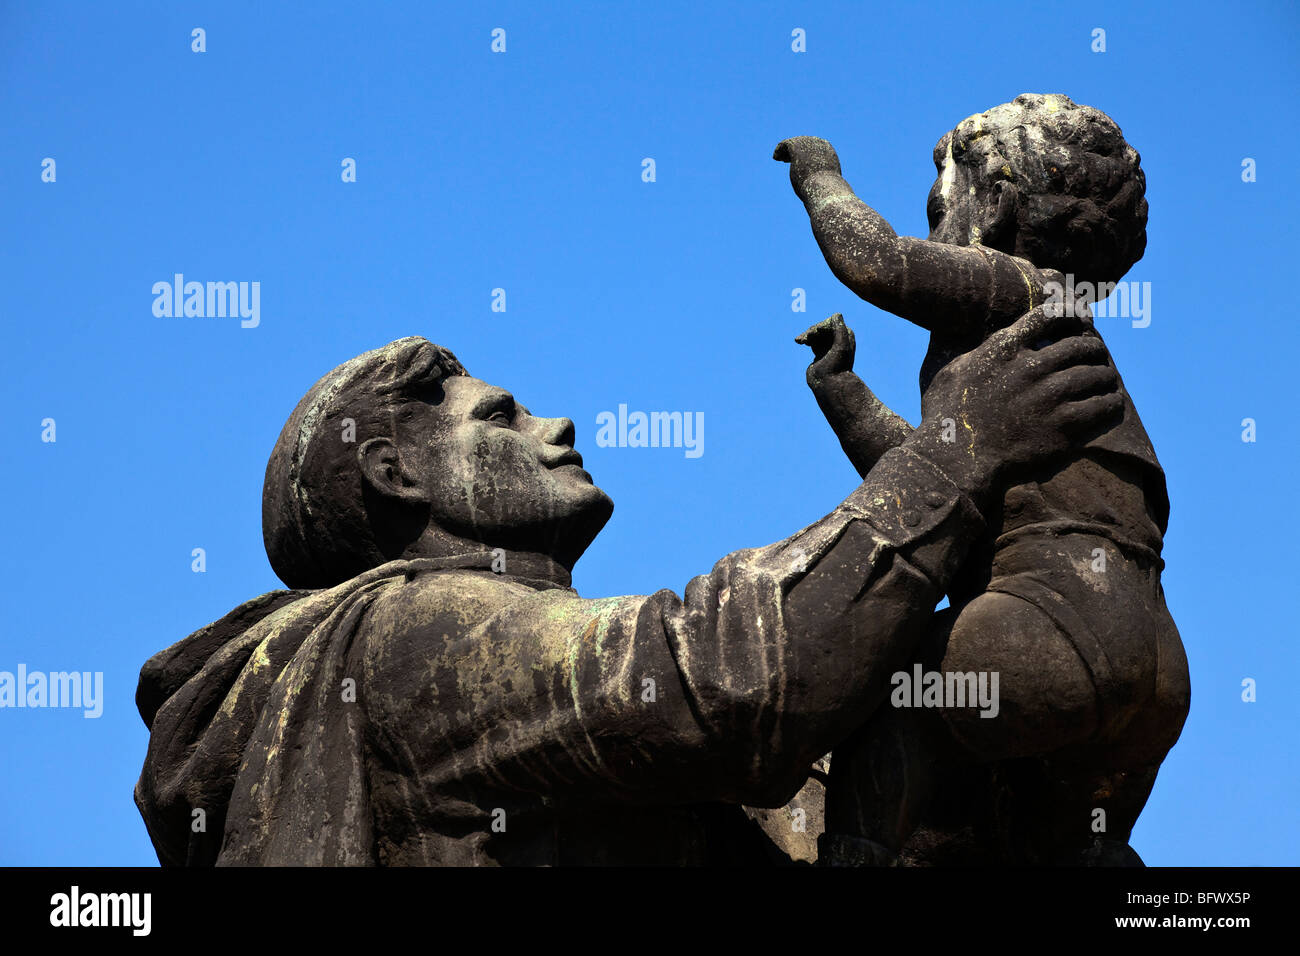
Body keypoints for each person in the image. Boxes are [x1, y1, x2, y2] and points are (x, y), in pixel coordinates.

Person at [135, 310, 1119, 866]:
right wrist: (957, 455)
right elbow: (728, 681)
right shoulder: (406, 625)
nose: (555, 422)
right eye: (502, 415)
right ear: (395, 471)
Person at [775, 93, 1189, 864]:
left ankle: (852, 853)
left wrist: (820, 177)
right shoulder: (1066, 344)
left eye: (942, 202)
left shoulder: (1017, 290)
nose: (933, 233)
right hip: (1157, 668)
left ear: (994, 204)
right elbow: (944, 480)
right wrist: (844, 393)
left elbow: (874, 261)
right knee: (1056, 839)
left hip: (1051, 627)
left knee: (891, 693)